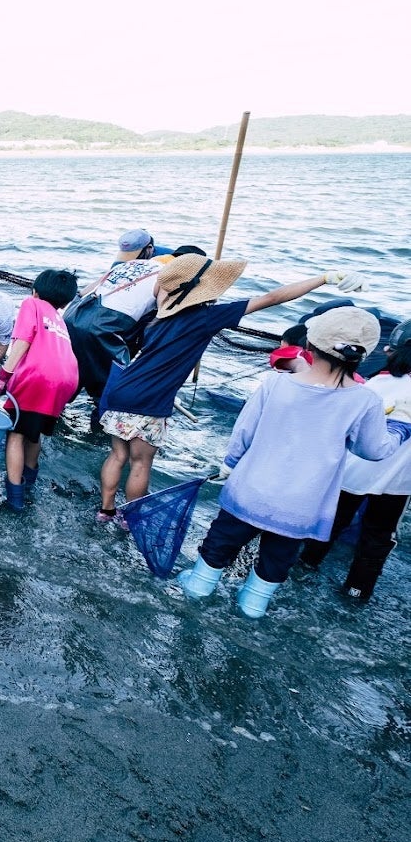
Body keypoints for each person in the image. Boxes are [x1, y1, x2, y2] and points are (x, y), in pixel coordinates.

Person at [177, 307, 410, 617]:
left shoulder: (277, 383)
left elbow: (243, 432)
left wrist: (230, 463)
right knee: (277, 559)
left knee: (220, 544)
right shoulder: (365, 400)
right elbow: (374, 451)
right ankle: (253, 606)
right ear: (363, 356)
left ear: (310, 344)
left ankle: (199, 587)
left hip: (249, 492)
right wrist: (399, 428)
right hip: (301, 505)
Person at [97, 254, 367, 522]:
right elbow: (272, 298)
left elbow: (166, 291)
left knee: (118, 454)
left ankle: (106, 510)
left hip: (121, 388)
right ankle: (132, 519)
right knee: (141, 463)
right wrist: (324, 278)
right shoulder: (205, 318)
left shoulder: (158, 315)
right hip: (149, 399)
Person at [298, 318, 411, 602]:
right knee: (378, 538)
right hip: (397, 483)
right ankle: (357, 591)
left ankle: (305, 566)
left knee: (331, 523)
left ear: (391, 351)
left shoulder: (378, 383)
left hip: (352, 472)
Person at [0, 270, 80, 512]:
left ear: (36, 291)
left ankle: (15, 499)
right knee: (33, 432)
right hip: (67, 379)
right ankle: (29, 483)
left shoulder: (33, 304)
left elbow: (23, 341)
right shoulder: (60, 319)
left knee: (16, 435)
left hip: (40, 376)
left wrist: (3, 376)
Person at [64, 229, 164, 431]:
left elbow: (82, 293)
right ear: (150, 250)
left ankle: (49, 416)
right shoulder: (162, 273)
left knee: (74, 375)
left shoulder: (119, 268)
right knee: (112, 386)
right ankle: (99, 435)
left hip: (72, 317)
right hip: (101, 327)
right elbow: (163, 313)